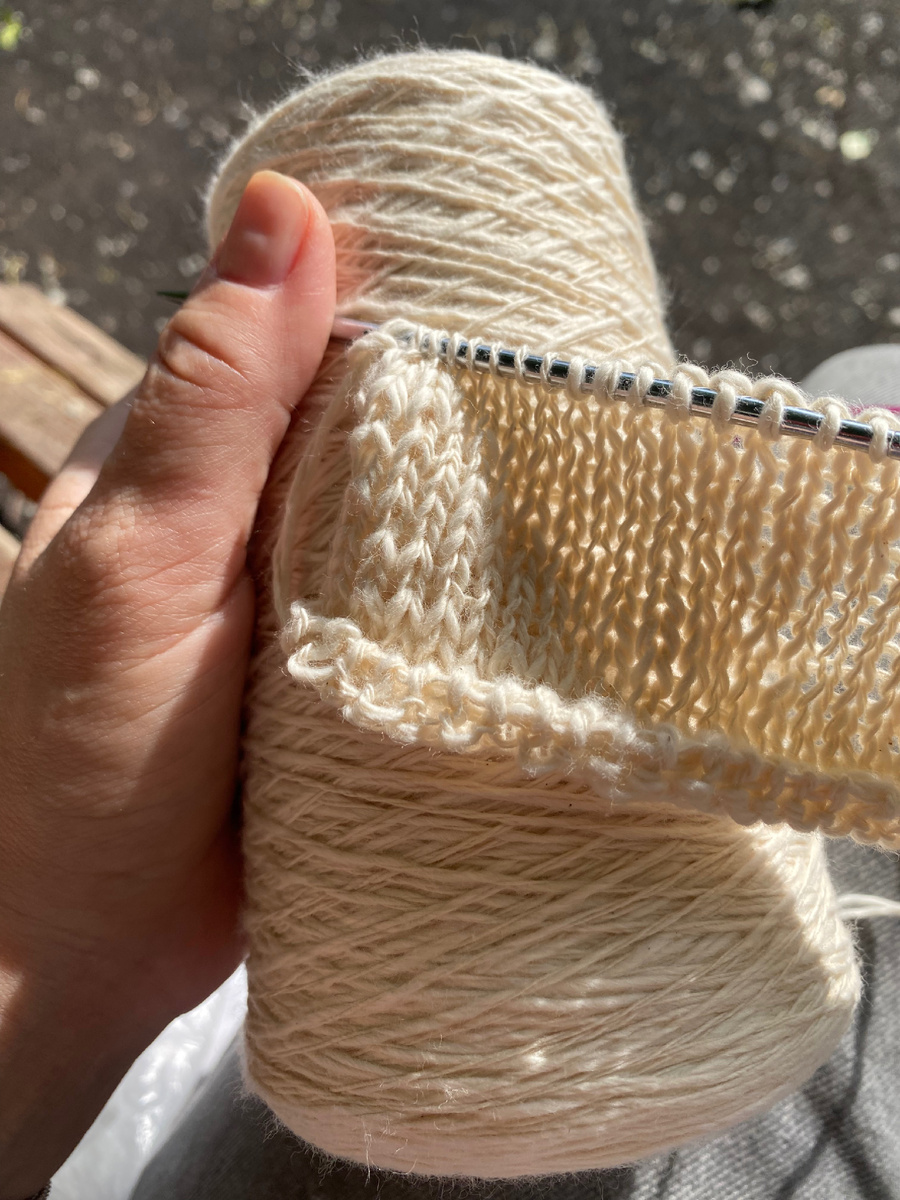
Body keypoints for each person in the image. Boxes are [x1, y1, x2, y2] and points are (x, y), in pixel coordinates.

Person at [1, 169, 898, 1200]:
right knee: (871, 371)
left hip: (423, 1049)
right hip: (710, 1005)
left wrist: (47, 953)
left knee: (871, 371)